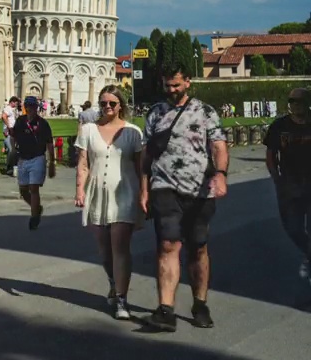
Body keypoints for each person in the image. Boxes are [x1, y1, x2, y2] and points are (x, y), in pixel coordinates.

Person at [143, 63, 228, 332]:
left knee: (198, 247)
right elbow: (147, 156)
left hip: (200, 189)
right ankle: (165, 309)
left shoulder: (205, 111)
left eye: (176, 85)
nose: (172, 90)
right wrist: (144, 189)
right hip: (164, 186)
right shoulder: (156, 113)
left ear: (188, 82)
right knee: (168, 244)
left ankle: (199, 303)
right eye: (167, 85)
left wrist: (221, 173)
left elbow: (218, 146)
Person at [74, 85, 145, 320]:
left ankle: (122, 300)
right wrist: (79, 191)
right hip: (97, 192)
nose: (107, 107)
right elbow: (83, 164)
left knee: (120, 247)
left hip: (124, 191)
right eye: (103, 103)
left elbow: (141, 167)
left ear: (120, 105)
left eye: (112, 103)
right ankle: (114, 282)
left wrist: (145, 193)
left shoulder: (133, 132)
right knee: (104, 250)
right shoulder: (88, 130)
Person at [265, 86, 311, 285]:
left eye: (299, 101)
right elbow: (270, 155)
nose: (295, 105)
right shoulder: (279, 126)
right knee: (292, 228)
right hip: (289, 184)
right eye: (292, 101)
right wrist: (277, 178)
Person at [13, 97, 55, 229]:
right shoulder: (20, 121)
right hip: (23, 158)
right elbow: (13, 136)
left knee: (34, 188)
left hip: (37, 158)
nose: (30, 108)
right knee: (24, 191)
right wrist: (13, 150)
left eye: (33, 106)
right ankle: (36, 208)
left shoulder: (42, 123)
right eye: (28, 106)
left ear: (37, 107)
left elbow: (49, 143)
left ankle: (34, 218)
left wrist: (52, 162)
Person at [2, 96, 19, 175]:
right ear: (12, 102)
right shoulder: (8, 108)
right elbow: (3, 116)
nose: (16, 104)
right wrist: (9, 127)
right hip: (9, 132)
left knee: (14, 150)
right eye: (16, 103)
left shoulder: (13, 110)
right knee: (11, 150)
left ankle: (13, 166)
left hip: (14, 132)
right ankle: (9, 167)